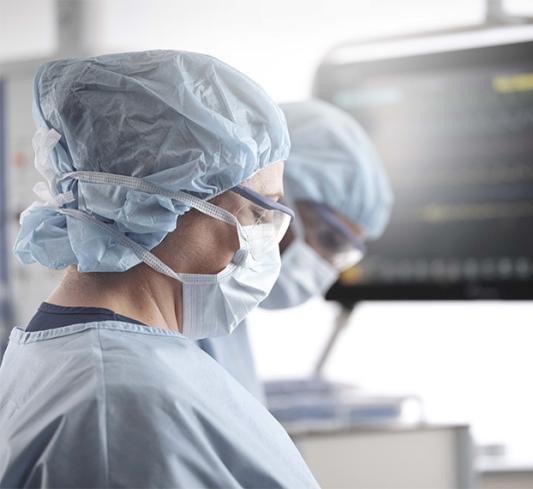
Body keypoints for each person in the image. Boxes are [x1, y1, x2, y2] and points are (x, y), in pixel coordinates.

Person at [0, 50, 319, 488]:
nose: (265, 241)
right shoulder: (120, 405)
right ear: (162, 205)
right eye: (257, 215)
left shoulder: (71, 360)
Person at [199, 100, 393, 401]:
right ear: (270, 189)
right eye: (328, 238)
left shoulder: (218, 311)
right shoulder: (175, 298)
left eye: (340, 254)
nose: (321, 265)